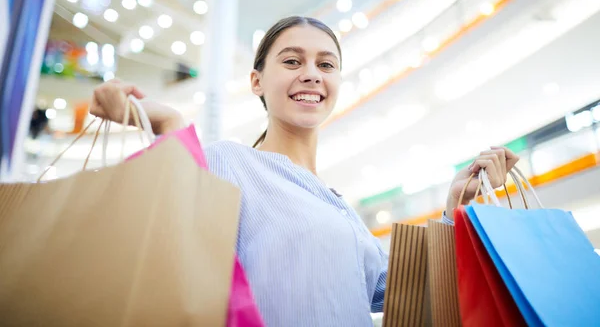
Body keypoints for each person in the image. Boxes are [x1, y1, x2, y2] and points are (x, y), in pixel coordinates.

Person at [90, 16, 519, 326]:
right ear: (257, 81)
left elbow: (398, 291)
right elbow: (177, 233)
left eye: (326, 65)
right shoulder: (230, 161)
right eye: (293, 62)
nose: (312, 75)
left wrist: (454, 206)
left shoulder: (338, 206)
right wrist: (169, 126)